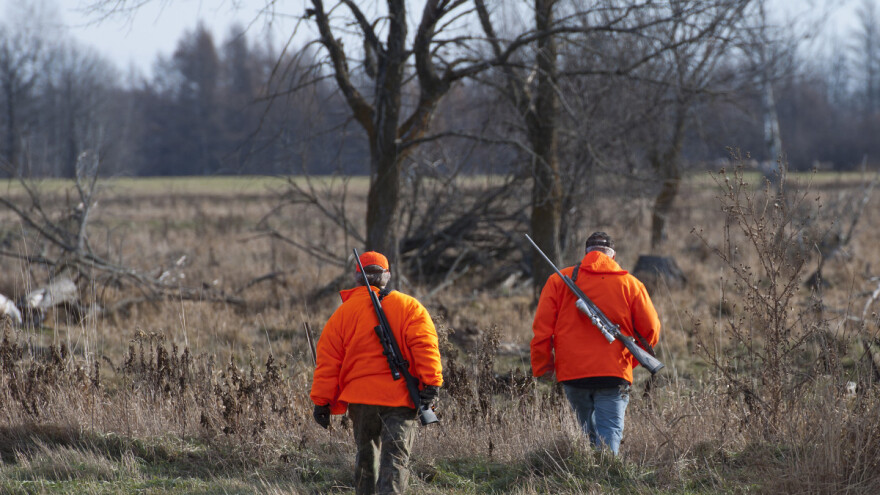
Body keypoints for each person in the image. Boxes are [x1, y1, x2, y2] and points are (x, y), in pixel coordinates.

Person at [310, 251, 443, 495]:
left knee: (366, 459)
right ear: (387, 276)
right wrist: (431, 385)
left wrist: (322, 402)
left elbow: (328, 361)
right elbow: (425, 346)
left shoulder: (343, 314)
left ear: (357, 277)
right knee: (395, 461)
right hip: (401, 398)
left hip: (361, 400)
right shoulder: (410, 306)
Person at [531, 232, 661, 455]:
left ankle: (591, 474)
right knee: (609, 428)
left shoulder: (557, 281)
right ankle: (607, 476)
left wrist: (544, 366)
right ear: (612, 254)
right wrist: (628, 360)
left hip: (572, 373)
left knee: (588, 431)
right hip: (614, 372)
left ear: (586, 253)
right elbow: (651, 330)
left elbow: (542, 331)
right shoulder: (631, 283)